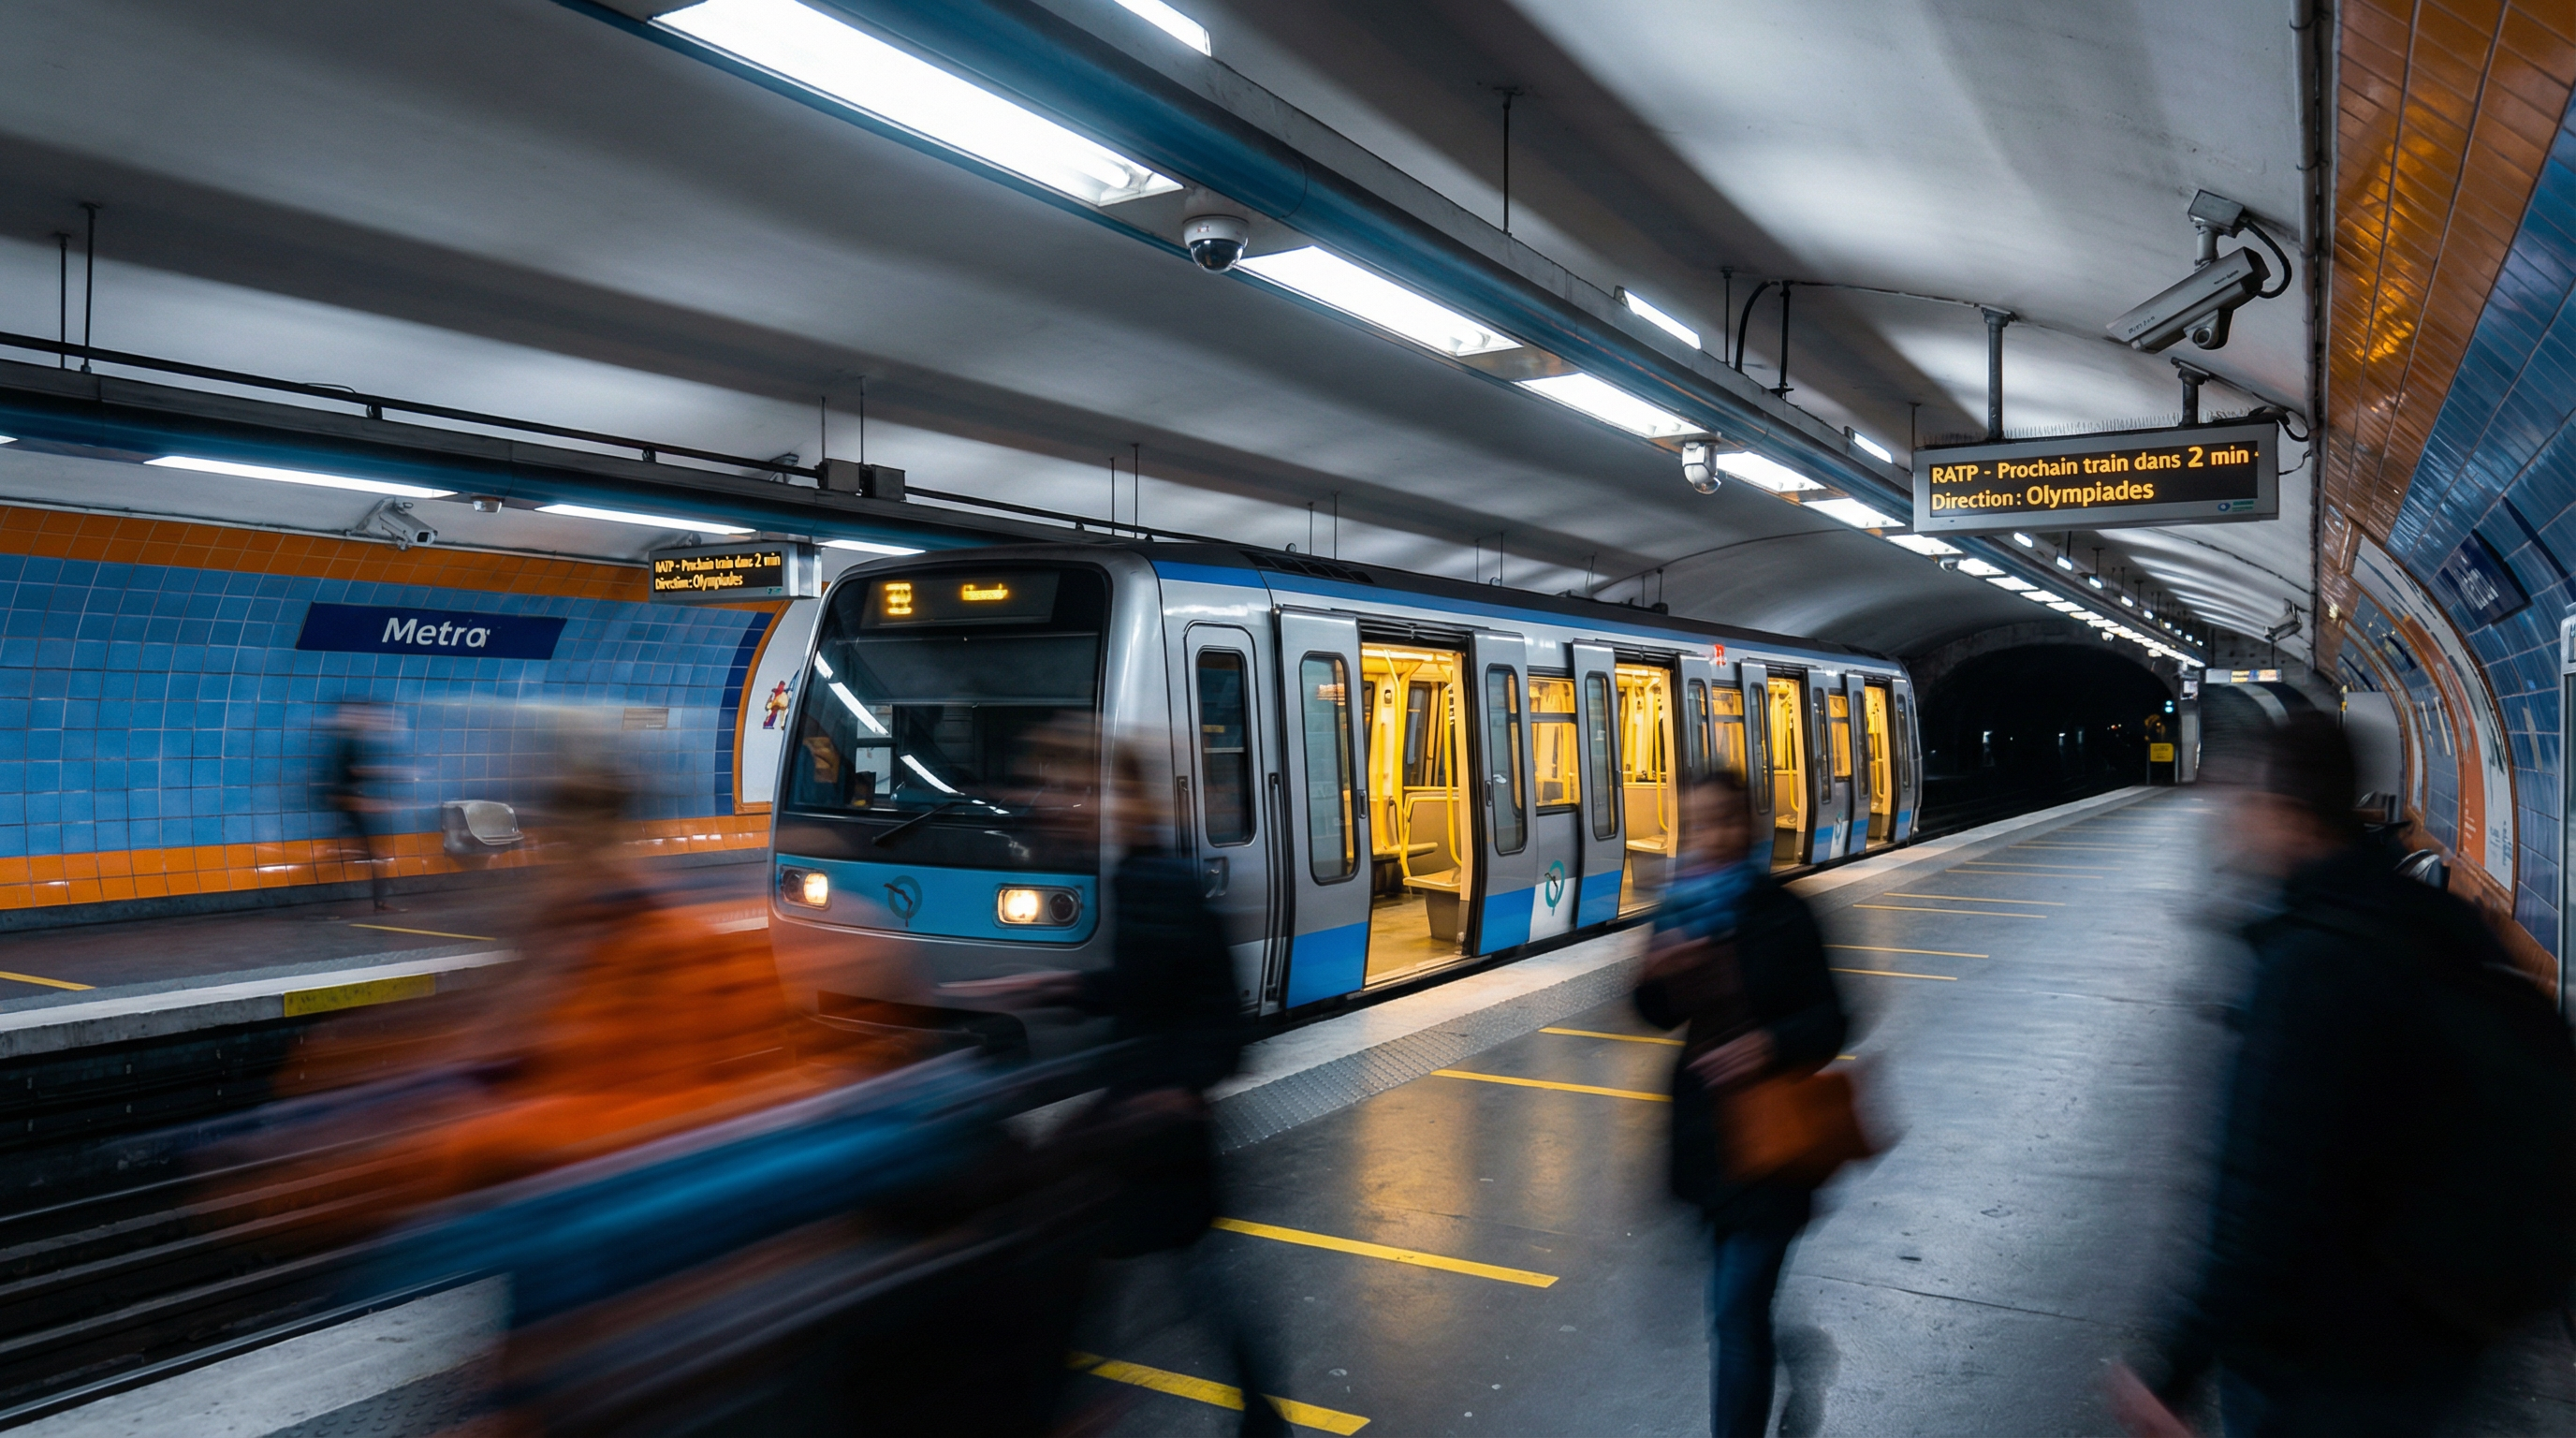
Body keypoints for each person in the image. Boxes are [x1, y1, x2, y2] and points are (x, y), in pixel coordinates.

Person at [2113, 712, 2576, 1437]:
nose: (2234, 826)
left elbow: (2264, 1194)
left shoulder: (2311, 966)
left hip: (2323, 1360)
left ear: (2291, 816)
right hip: (2442, 1334)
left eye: (2249, 807)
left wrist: (2175, 1364)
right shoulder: (2431, 918)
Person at [956, 736, 1278, 1436]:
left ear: (1124, 800)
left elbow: (1217, 1018)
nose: (1065, 808)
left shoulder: (1154, 882)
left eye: (1083, 792)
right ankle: (1256, 1415)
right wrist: (1056, 984)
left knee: (1088, 1266)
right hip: (1149, 1126)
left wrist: (1176, 1093)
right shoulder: (1143, 874)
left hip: (1154, 1131)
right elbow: (1149, 989)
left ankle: (1061, 1410)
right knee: (1183, 1278)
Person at [1634, 770, 1849, 1438]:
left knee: (1731, 1313)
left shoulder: (1787, 913)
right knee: (1739, 1312)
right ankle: (1782, 1364)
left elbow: (1835, 1019)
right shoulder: (1681, 910)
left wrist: (1767, 1044)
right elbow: (1654, 1013)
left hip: (1776, 1144)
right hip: (1708, 1148)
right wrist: (1657, 977)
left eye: (1725, 822)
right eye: (1698, 826)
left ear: (1749, 826)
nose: (1713, 838)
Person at [322, 701, 397, 911]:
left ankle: (379, 898)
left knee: (373, 852)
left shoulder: (347, 741)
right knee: (377, 854)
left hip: (349, 803)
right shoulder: (348, 743)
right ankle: (379, 899)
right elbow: (352, 774)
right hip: (349, 803)